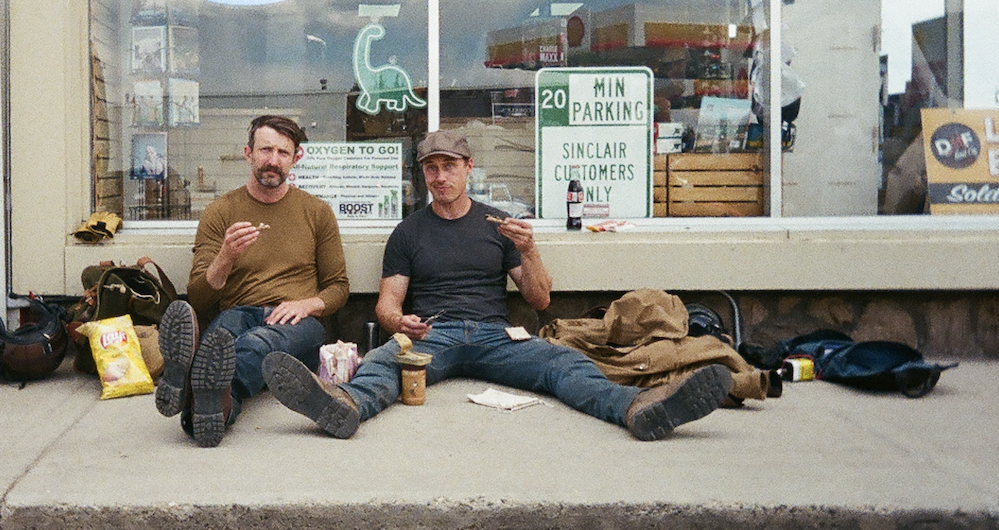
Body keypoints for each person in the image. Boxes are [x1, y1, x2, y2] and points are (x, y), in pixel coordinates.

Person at [261, 129, 732, 441]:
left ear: (468, 167)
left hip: (496, 335)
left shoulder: (499, 223)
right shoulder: (408, 232)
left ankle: (638, 409)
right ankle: (343, 407)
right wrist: (398, 321)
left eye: (449, 166)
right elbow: (387, 304)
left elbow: (540, 300)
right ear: (423, 173)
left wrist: (529, 250)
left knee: (564, 364)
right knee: (385, 361)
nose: (440, 176)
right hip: (434, 335)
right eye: (431, 168)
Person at [155, 114, 349, 447]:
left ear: (296, 158)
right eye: (265, 150)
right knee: (222, 339)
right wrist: (225, 256)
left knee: (256, 344)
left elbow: (338, 287)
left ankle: (189, 381)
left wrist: (306, 304)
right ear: (248, 153)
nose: (273, 161)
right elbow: (198, 297)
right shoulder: (221, 212)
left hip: (299, 323)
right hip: (237, 312)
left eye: (283, 153)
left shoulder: (316, 212)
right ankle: (208, 412)